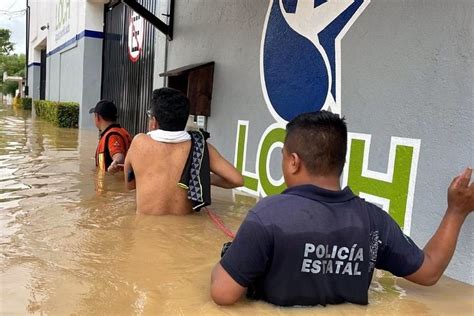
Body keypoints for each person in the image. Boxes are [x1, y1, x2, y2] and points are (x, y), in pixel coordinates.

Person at [210, 111, 473, 306]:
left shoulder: (266, 215)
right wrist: (456, 211)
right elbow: (429, 272)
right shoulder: (374, 221)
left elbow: (223, 295)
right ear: (340, 162)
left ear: (293, 161)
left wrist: (230, 259)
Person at [124, 87, 244, 215]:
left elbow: (130, 185)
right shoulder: (201, 147)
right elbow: (237, 180)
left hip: (145, 231)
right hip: (186, 229)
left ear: (154, 122)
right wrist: (200, 178)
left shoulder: (139, 143)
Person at [90, 100, 132, 173]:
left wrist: (116, 162)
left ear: (97, 117)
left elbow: (119, 156)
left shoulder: (113, 136)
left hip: (112, 181)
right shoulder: (121, 131)